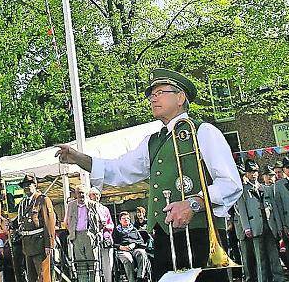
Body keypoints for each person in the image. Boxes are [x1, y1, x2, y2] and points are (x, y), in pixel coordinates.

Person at [56, 69, 241, 282]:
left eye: (160, 92)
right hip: (164, 237)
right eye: (152, 94)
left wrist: (195, 203)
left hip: (200, 235)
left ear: (180, 97)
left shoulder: (204, 131)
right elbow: (118, 170)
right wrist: (79, 158)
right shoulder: (151, 141)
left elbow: (230, 183)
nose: (153, 97)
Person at [17, 173, 56, 282]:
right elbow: (20, 221)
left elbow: (49, 223)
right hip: (27, 244)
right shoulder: (23, 203)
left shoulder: (42, 200)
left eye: (29, 184)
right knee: (31, 277)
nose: (26, 187)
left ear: (35, 185)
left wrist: (49, 244)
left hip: (39, 244)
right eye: (24, 185)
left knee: (42, 276)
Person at [234, 160, 265, 282]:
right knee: (246, 257)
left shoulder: (248, 188)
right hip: (240, 226)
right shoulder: (236, 189)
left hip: (253, 224)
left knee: (257, 256)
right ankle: (249, 278)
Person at [65, 185, 102, 282]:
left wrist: (96, 233)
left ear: (86, 193)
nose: (81, 195)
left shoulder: (92, 204)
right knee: (80, 262)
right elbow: (67, 221)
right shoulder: (71, 205)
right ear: (76, 194)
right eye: (79, 193)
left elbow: (102, 221)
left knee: (92, 261)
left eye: (82, 192)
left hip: (89, 234)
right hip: (76, 235)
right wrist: (71, 233)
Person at [259, 165, 285, 282]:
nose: (270, 178)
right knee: (267, 255)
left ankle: (280, 277)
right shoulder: (261, 189)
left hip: (279, 225)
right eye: (267, 175)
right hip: (265, 226)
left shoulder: (278, 187)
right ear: (263, 177)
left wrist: (280, 226)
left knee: (279, 254)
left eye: (272, 175)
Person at [113, 212, 150, 282]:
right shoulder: (116, 230)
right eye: (123, 218)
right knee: (127, 259)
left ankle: (140, 277)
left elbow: (141, 241)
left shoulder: (134, 229)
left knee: (142, 253)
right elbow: (113, 243)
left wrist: (134, 244)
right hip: (122, 249)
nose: (126, 220)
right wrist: (121, 247)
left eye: (127, 218)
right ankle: (131, 280)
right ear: (120, 220)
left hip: (134, 248)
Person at [88, 187, 115, 282]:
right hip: (93, 239)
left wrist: (105, 225)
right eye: (94, 194)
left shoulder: (105, 209)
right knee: (95, 263)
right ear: (89, 196)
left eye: (97, 194)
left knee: (107, 262)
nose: (96, 197)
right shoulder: (87, 208)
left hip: (105, 238)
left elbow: (111, 224)